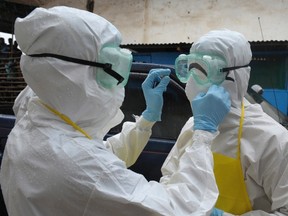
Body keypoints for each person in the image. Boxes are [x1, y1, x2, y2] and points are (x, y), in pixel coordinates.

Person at [0, 6, 231, 216]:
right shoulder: (76, 166)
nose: (120, 80)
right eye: (113, 67)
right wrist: (203, 133)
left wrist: (147, 120)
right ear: (70, 75)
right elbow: (179, 209)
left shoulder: (36, 113)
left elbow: (101, 155)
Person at [163, 29, 288, 215]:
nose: (193, 80)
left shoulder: (273, 140)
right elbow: (169, 176)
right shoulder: (194, 125)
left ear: (237, 77)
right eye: (191, 68)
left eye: (205, 70)